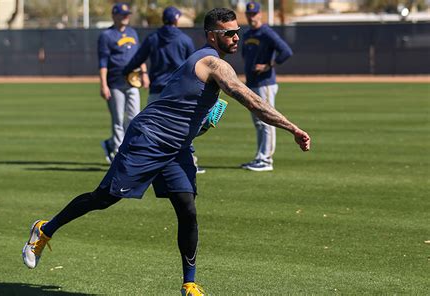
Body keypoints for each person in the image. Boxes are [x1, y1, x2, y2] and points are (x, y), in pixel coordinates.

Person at [22, 8, 310, 296]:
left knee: (187, 209)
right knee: (104, 198)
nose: (236, 37)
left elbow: (180, 106)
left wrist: (200, 125)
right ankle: (45, 229)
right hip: (148, 139)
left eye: (238, 32)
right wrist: (292, 128)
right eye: (229, 33)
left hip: (176, 147)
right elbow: (251, 100)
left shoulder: (207, 62)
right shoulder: (212, 62)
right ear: (212, 35)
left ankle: (189, 284)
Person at [121, 6, 208, 174]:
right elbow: (195, 64)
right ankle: (189, 163)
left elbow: (139, 58)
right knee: (181, 129)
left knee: (151, 129)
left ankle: (149, 163)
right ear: (176, 19)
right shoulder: (184, 39)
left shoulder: (153, 38)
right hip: (178, 92)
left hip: (157, 91)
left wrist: (126, 71)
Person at [241, 1, 293, 172]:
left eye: (254, 13)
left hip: (265, 84)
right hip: (252, 83)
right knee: (258, 123)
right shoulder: (248, 34)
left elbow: (286, 51)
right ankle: (259, 157)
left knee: (267, 121)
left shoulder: (267, 32)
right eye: (249, 14)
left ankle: (266, 160)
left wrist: (268, 65)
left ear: (260, 14)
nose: (251, 16)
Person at [98, 3, 148, 164]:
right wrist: (103, 85)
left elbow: (140, 56)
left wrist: (145, 74)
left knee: (134, 118)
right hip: (114, 83)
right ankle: (118, 153)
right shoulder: (106, 36)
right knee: (118, 119)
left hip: (133, 82)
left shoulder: (132, 32)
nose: (126, 16)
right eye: (122, 14)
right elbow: (103, 62)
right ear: (114, 16)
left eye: (127, 14)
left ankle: (122, 147)